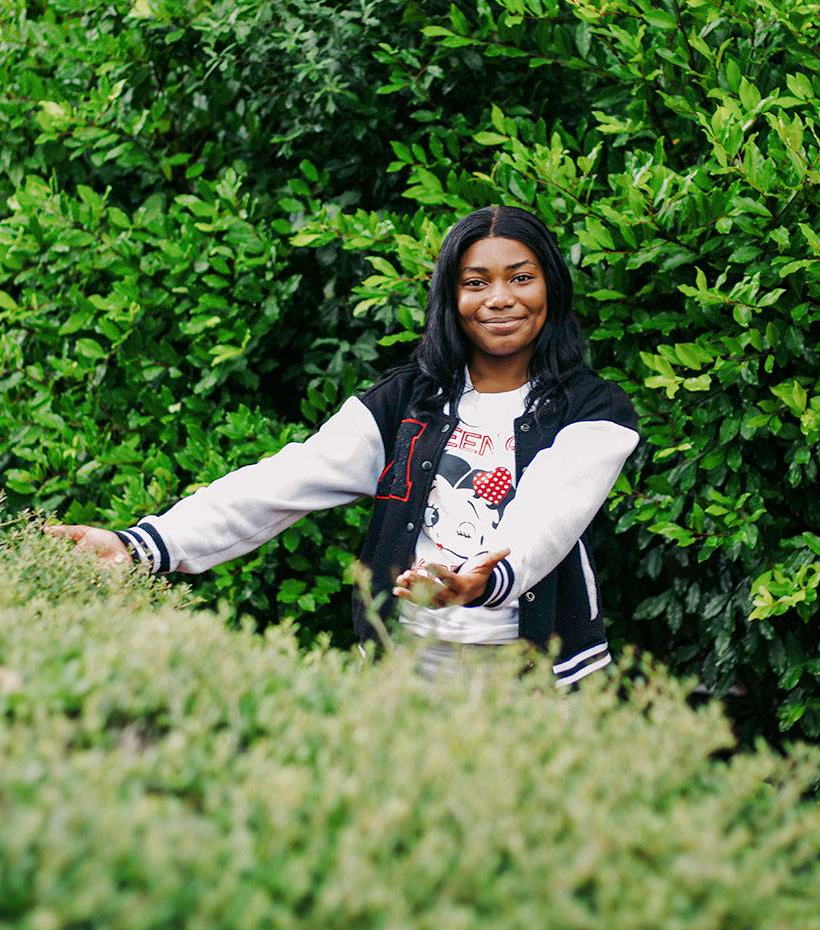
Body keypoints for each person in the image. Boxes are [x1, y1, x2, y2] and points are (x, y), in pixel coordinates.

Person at [47, 205, 639, 688]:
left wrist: (485, 580)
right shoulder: (408, 401)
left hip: (535, 677)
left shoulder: (594, 410)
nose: (500, 298)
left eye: (521, 277)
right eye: (475, 282)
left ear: (550, 288)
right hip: (406, 667)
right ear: (450, 299)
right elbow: (284, 481)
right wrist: (141, 546)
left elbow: (549, 517)